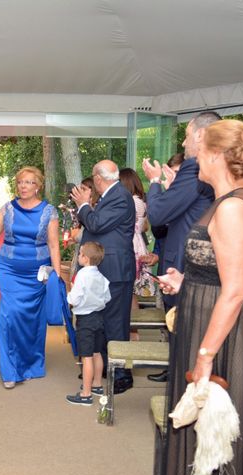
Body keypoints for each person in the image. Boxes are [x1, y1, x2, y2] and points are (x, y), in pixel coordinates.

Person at [158, 119, 243, 475]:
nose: (195, 157)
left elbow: (235, 291)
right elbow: (224, 269)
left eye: (200, 149)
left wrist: (205, 357)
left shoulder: (234, 207)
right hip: (208, 321)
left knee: (214, 438)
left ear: (217, 155)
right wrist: (187, 280)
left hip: (222, 337)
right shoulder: (227, 200)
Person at [141, 112, 218, 384]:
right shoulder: (198, 173)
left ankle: (183, 391)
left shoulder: (194, 167)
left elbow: (159, 214)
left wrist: (154, 183)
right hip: (189, 263)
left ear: (199, 135)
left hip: (185, 267)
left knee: (184, 335)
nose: (183, 145)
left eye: (186, 137)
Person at [0, 167, 61, 389]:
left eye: (29, 182)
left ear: (38, 186)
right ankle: (9, 370)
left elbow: (54, 245)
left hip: (37, 272)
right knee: (8, 316)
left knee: (31, 318)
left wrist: (55, 275)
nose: (24, 186)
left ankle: (30, 364)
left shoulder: (49, 211)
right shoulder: (7, 208)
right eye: (20, 182)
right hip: (9, 269)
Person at [70, 160, 136, 394]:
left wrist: (83, 205)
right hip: (108, 269)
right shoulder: (113, 195)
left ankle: (121, 375)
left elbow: (96, 224)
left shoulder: (119, 196)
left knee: (116, 324)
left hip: (116, 270)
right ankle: (107, 368)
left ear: (98, 178)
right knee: (106, 323)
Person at [65, 242, 110, 405]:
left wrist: (69, 293)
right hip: (99, 317)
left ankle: (85, 394)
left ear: (85, 258)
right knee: (97, 353)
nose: (78, 256)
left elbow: (75, 299)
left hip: (85, 320)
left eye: (80, 254)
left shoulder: (82, 276)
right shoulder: (101, 276)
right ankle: (97, 384)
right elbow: (107, 298)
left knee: (86, 357)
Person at [119, 168, 155, 307]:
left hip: (132, 244)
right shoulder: (139, 200)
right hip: (137, 242)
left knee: (130, 293)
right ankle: (132, 327)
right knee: (131, 293)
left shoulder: (133, 201)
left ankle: (132, 327)